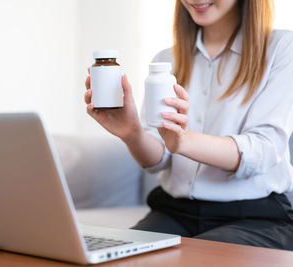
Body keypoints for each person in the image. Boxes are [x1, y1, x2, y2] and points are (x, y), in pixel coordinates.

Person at [84, 0, 293, 250]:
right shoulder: (165, 59)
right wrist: (132, 133)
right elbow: (158, 160)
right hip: (175, 211)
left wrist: (183, 142)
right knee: (112, 255)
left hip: (254, 216)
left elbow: (264, 150)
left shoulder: (282, 48)